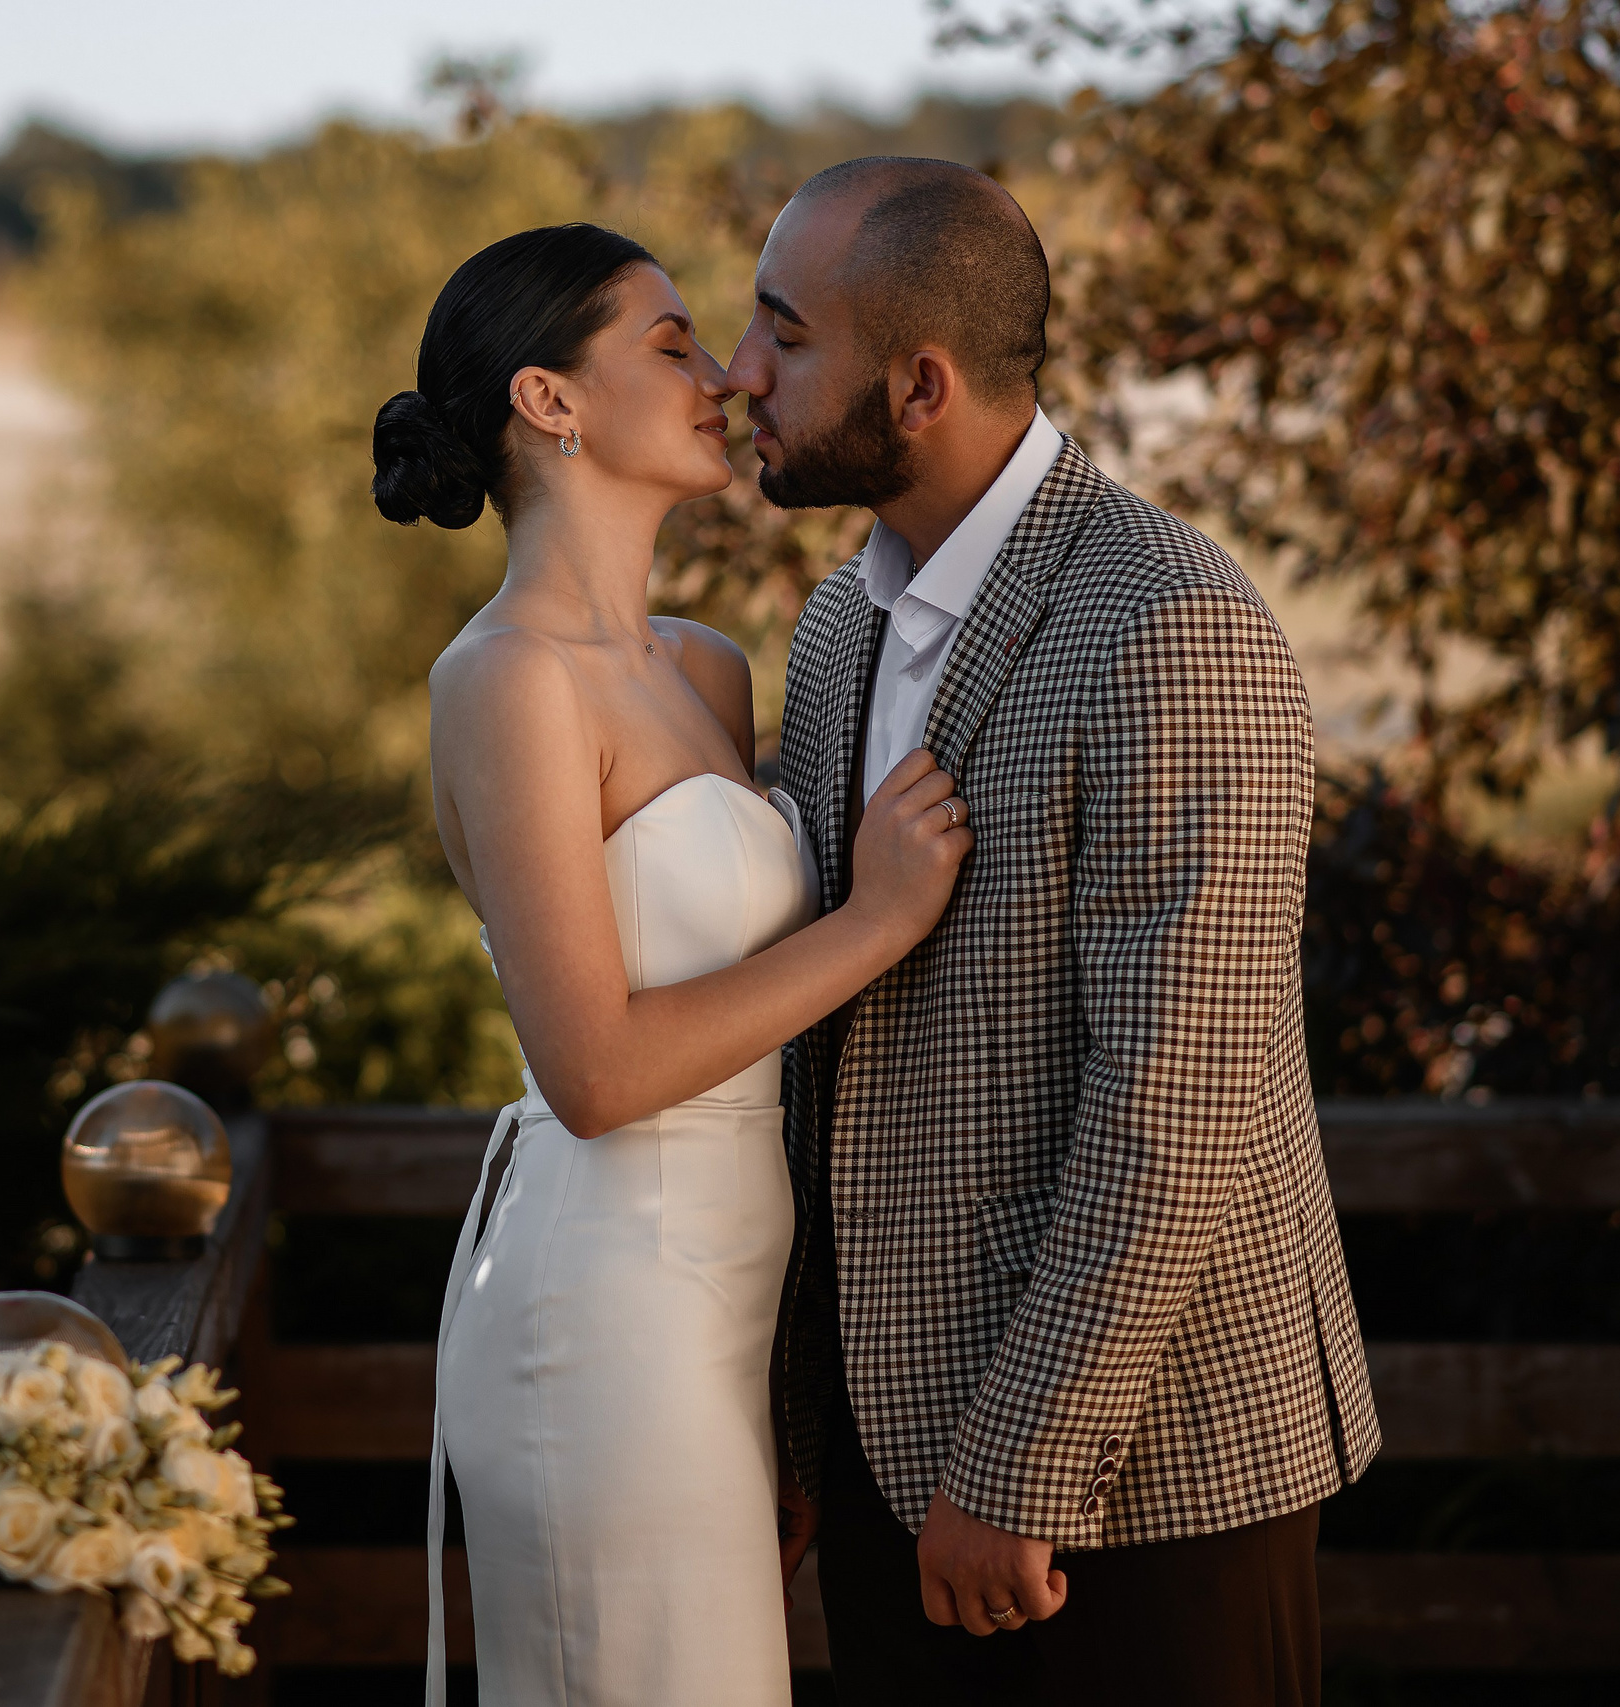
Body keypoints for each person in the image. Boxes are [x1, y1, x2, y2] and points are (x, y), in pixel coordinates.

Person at [735, 159, 1381, 1706]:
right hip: (889, 1473)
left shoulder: (1175, 628)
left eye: (784, 334)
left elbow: (1181, 1100)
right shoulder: (840, 628)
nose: (740, 373)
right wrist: (803, 1428)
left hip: (1141, 1481)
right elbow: (841, 1067)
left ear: (921, 382)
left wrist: (1022, 1462)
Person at [373, 222, 972, 1707]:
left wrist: (785, 1400)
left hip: (726, 1321)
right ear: (547, 401)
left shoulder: (705, 664)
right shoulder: (503, 682)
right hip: (604, 1322)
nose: (723, 376)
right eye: (668, 344)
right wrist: (879, 921)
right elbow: (595, 1070)